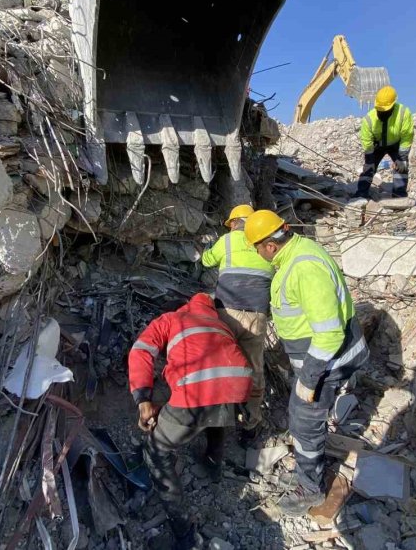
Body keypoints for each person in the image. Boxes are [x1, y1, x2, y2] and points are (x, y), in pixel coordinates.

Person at [243, 210, 370, 516]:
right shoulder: (297, 253)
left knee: (306, 422)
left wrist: (309, 379)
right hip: (317, 360)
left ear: (270, 246)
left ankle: (310, 489)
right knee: (298, 414)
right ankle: (305, 470)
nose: (258, 255)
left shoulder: (305, 268)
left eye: (257, 249)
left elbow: (327, 335)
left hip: (327, 362)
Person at [128, 293, 253, 548]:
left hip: (197, 389)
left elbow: (141, 351)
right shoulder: (218, 321)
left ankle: (185, 535)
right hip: (237, 384)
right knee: (215, 410)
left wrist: (143, 399)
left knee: (156, 451)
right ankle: (213, 465)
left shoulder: (171, 318)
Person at [201, 204, 275, 441]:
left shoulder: (227, 241)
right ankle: (251, 423)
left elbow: (206, 261)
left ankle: (219, 417)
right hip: (257, 316)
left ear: (234, 223)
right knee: (255, 368)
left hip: (226, 316)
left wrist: (206, 250)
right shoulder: (265, 244)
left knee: (219, 363)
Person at [356, 85, 414, 201]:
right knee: (369, 168)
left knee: (401, 166)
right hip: (377, 145)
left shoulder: (403, 113)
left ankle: (399, 195)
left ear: (393, 105)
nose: (382, 112)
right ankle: (361, 194)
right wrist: (370, 158)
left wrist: (402, 157)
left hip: (396, 144)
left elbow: (407, 136)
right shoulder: (369, 118)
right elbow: (367, 141)